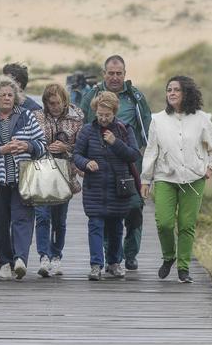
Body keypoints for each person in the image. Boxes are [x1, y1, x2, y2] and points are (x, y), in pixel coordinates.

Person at [140, 76, 212, 283]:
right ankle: (169, 256)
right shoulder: (157, 119)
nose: (172, 93)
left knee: (186, 225)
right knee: (165, 223)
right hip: (165, 178)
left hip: (194, 180)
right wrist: (145, 179)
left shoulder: (202, 118)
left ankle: (183, 268)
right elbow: (151, 151)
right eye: (169, 90)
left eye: (176, 90)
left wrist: (210, 168)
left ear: (186, 93)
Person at [80, 55, 151, 271]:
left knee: (134, 210)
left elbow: (147, 130)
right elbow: (81, 125)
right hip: (99, 166)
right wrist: (81, 162)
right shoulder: (91, 96)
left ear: (125, 74)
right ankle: (111, 257)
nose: (115, 77)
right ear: (104, 74)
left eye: (119, 73)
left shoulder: (135, 98)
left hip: (129, 165)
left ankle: (130, 254)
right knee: (104, 211)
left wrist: (147, 166)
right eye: (110, 73)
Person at [74, 91, 140, 281]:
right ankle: (96, 265)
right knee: (95, 226)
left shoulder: (124, 129)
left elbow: (133, 155)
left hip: (118, 188)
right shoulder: (87, 130)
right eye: (100, 114)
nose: (103, 118)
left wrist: (115, 142)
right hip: (94, 188)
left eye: (107, 115)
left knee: (116, 227)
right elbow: (77, 155)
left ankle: (114, 263)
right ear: (95, 111)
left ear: (114, 112)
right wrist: (86, 163)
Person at [0, 75, 46, 280]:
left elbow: (42, 144)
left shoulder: (26, 115)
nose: (6, 98)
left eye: (10, 95)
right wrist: (1, 149)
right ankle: (4, 261)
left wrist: (27, 146)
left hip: (24, 177)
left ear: (16, 97)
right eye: (2, 95)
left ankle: (20, 259)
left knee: (23, 219)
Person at [32, 84, 84, 277]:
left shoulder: (77, 117)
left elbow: (81, 146)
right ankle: (43, 257)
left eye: (58, 103)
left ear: (65, 101)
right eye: (50, 103)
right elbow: (31, 142)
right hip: (42, 172)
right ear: (45, 103)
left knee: (59, 220)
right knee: (42, 217)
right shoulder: (36, 117)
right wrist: (44, 148)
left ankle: (57, 257)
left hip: (65, 174)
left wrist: (66, 148)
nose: (54, 106)